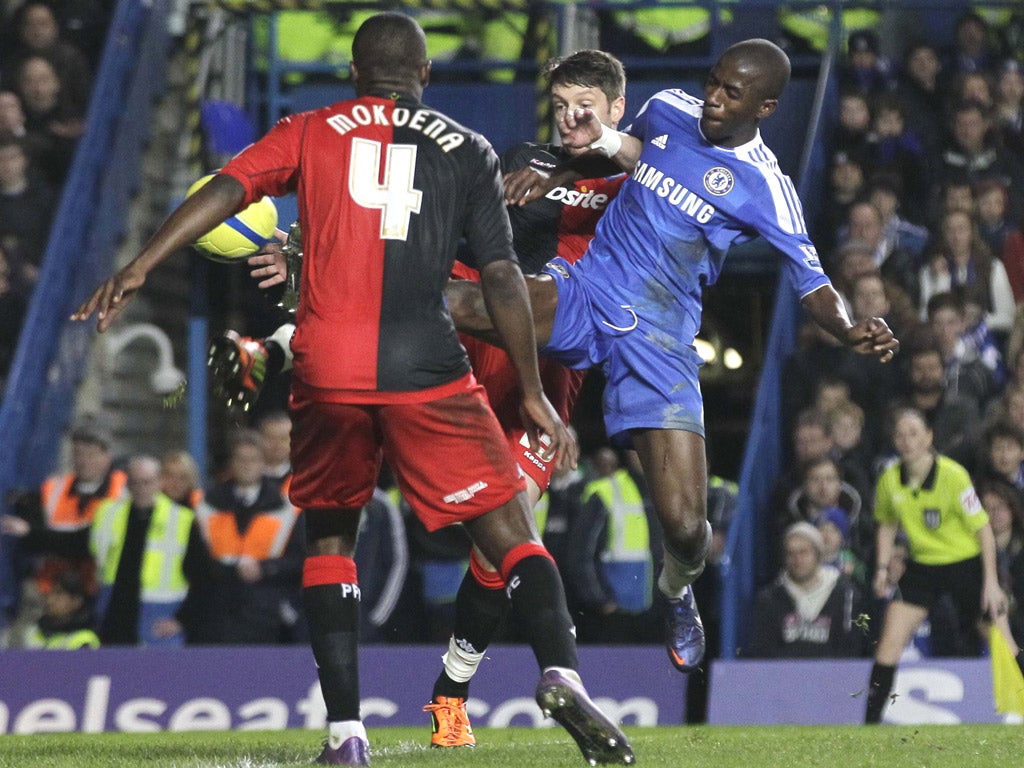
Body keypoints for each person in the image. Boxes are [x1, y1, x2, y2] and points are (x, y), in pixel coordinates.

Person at [71, 13, 633, 767]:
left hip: (329, 368)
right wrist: (532, 389)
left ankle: (345, 735)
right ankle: (561, 672)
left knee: (332, 536)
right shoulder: (468, 147)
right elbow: (497, 275)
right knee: (510, 533)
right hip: (430, 366)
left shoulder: (310, 130)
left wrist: (140, 265)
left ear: (353, 73)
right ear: (426, 76)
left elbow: (229, 187)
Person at [451, 38, 900, 680]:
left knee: (688, 529)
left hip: (660, 338)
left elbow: (812, 279)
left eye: (732, 94)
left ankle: (674, 589)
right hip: (589, 286)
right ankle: (328, 289)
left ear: (766, 107)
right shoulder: (668, 107)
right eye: (714, 82)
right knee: (460, 302)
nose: (714, 98)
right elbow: (618, 158)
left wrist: (851, 326)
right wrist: (557, 172)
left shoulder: (767, 187)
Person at [864, 407, 1018, 723]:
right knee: (889, 642)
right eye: (900, 435)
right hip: (922, 568)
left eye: (913, 433)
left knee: (1003, 639)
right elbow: (887, 524)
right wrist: (882, 567)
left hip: (967, 565)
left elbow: (984, 530)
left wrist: (991, 583)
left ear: (929, 438)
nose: (906, 441)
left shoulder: (953, 475)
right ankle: (868, 727)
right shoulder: (889, 481)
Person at [90, 455, 206, 647]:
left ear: (159, 482)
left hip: (157, 616)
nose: (140, 488)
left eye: (147, 482)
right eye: (134, 483)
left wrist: (183, 619)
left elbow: (203, 578)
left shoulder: (181, 520)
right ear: (127, 483)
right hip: (113, 614)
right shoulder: (108, 513)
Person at [744, 521, 869, 659]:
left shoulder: (846, 595)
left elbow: (851, 647)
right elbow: (763, 651)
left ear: (818, 554)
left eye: (803, 552)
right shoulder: (768, 599)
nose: (797, 560)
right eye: (791, 553)